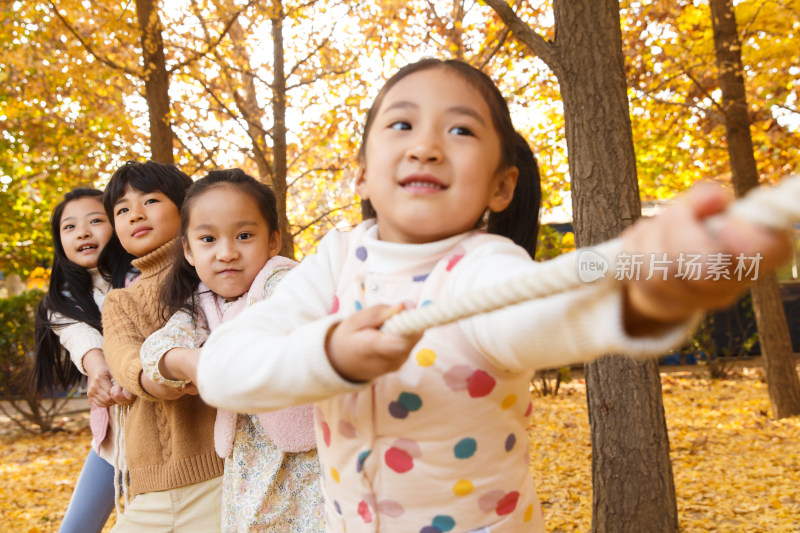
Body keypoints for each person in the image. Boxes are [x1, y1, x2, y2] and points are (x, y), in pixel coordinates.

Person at [196, 59, 792, 532]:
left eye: (460, 130)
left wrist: (643, 297)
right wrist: (326, 357)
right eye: (401, 124)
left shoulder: (486, 268)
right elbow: (223, 368)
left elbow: (537, 317)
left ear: (502, 184)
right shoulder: (333, 262)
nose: (426, 145)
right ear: (360, 174)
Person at [139, 169, 324, 531]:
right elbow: (158, 347)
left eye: (243, 236)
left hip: (307, 455)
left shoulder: (282, 281)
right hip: (247, 461)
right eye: (208, 239)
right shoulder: (203, 303)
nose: (227, 253)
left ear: (273, 242)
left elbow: (298, 313)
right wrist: (188, 362)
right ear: (189, 251)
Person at [100, 160, 224, 532]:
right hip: (149, 489)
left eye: (150, 201)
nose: (135, 214)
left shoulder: (216, 274)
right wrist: (169, 371)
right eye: (122, 210)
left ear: (187, 208)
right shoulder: (119, 302)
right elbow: (126, 361)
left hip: (222, 478)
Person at [32, 188, 135, 533]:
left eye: (95, 221)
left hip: (165, 435)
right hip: (112, 441)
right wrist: (98, 371)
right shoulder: (61, 301)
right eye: (70, 227)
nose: (83, 232)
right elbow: (81, 339)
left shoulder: (144, 277)